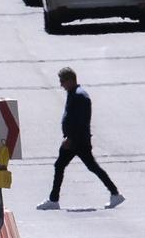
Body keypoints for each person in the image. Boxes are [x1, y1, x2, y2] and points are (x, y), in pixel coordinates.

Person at [37, 67, 122, 209]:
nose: (61, 84)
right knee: (66, 165)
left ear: (71, 80)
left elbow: (81, 122)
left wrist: (70, 138)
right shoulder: (74, 94)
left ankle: (115, 193)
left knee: (88, 166)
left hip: (77, 141)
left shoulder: (80, 96)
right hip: (74, 140)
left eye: (63, 81)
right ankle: (54, 199)